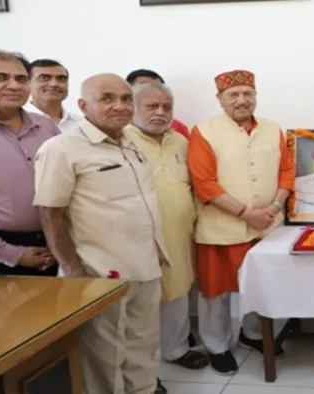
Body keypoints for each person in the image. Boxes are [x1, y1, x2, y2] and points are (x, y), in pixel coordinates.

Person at [34, 73, 169, 394]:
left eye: (125, 99)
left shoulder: (132, 140)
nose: (120, 106)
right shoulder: (61, 148)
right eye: (107, 99)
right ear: (83, 105)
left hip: (146, 266)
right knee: (104, 358)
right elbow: (50, 213)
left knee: (143, 348)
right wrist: (73, 271)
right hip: (100, 274)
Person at [188, 69, 295, 374]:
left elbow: (286, 172)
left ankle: (254, 334)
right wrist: (247, 213)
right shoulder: (204, 131)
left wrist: (274, 206)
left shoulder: (273, 129)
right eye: (233, 95)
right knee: (216, 291)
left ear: (256, 96)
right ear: (220, 99)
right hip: (221, 227)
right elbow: (204, 183)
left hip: (269, 226)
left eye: (248, 93)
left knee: (262, 285)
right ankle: (217, 345)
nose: (242, 99)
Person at [125, 82, 208, 393]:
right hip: (138, 239)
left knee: (177, 294)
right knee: (141, 308)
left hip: (179, 233)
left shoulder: (181, 141)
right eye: (151, 106)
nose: (160, 113)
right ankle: (144, 374)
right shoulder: (120, 140)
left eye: (166, 107)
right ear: (133, 107)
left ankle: (175, 350)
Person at [0, 49, 59, 276]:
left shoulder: (46, 126)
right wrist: (10, 253)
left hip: (55, 244)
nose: (14, 85)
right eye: (0, 78)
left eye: (21, 79)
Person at [126, 69, 190, 139]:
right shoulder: (118, 128)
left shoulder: (177, 129)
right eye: (143, 86)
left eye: (156, 87)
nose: (160, 113)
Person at [23, 59, 82, 132]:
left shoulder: (82, 124)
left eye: (61, 78)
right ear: (27, 83)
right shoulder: (17, 122)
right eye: (45, 78)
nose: (54, 84)